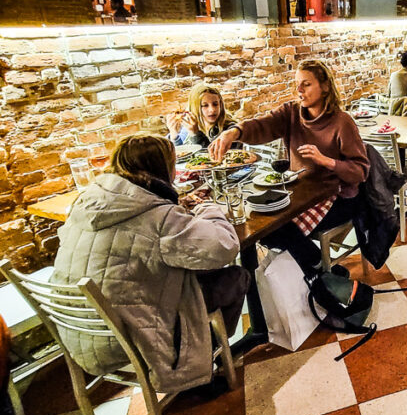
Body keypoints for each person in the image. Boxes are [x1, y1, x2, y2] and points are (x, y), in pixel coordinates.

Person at [51, 134, 249, 393]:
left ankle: (200, 358)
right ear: (160, 169)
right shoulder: (158, 217)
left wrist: (174, 207)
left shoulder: (85, 201)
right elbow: (224, 247)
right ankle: (199, 367)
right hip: (134, 336)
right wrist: (207, 208)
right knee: (236, 277)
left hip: (77, 331)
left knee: (175, 275)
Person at [210, 59, 370, 276]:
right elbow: (262, 125)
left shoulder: (342, 122)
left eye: (306, 84)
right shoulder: (291, 113)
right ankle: (317, 269)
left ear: (324, 87)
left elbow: (360, 171)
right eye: (297, 84)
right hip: (302, 192)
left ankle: (318, 273)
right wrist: (234, 132)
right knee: (265, 229)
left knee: (280, 230)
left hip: (339, 196)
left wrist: (326, 161)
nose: (299, 90)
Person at [164, 83, 237, 148]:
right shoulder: (188, 127)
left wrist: (195, 134)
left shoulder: (231, 129)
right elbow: (180, 155)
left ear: (220, 104)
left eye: (215, 104)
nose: (212, 109)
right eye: (205, 105)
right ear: (195, 108)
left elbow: (212, 158)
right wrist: (174, 136)